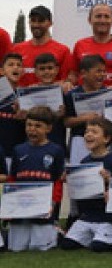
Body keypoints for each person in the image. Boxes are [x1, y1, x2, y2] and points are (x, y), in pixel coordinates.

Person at [5, 106, 65, 251]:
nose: (32, 129)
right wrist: (8, 206)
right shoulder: (18, 149)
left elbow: (58, 181)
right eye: (29, 125)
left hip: (43, 209)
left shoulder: (56, 150)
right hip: (20, 209)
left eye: (38, 126)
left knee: (39, 248)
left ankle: (56, 232)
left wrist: (53, 203)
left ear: (48, 129)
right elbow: (12, 180)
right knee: (16, 248)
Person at [60, 118, 112, 252]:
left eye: (94, 132)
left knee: (99, 247)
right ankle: (90, 236)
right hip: (87, 216)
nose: (88, 135)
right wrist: (70, 179)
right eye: (87, 132)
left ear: (106, 138)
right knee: (67, 245)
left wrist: (110, 180)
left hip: (107, 217)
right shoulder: (84, 161)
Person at [72, 3, 112, 88]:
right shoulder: (80, 45)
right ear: (89, 20)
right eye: (98, 16)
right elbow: (73, 74)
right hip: (82, 98)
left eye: (106, 16)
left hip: (109, 98)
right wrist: (68, 83)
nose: (102, 20)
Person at [13, 5, 74, 88]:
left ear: (50, 23)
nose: (36, 24)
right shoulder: (17, 49)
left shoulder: (63, 50)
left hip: (51, 99)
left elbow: (66, 82)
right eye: (33, 21)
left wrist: (38, 89)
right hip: (21, 100)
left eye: (41, 21)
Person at [64, 54, 108, 164]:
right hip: (79, 141)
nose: (102, 75)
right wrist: (83, 119)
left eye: (104, 71)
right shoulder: (71, 95)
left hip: (104, 143)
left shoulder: (108, 94)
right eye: (98, 71)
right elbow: (66, 122)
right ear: (83, 73)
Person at [0, 53, 26, 156]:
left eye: (19, 65)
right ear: (2, 71)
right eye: (11, 64)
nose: (15, 67)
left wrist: (23, 117)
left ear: (23, 71)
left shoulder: (25, 95)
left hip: (16, 152)